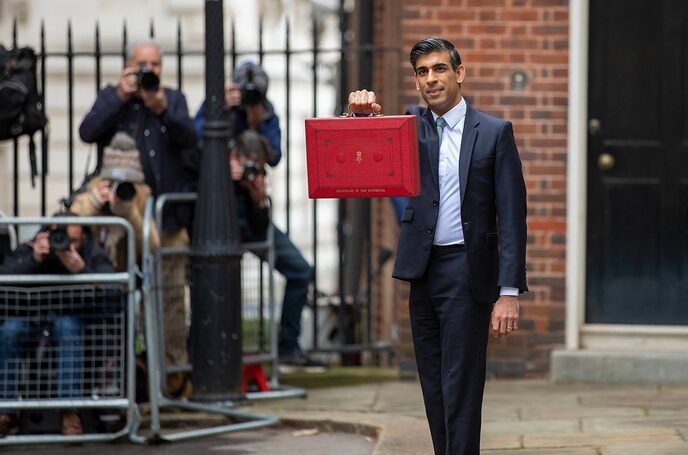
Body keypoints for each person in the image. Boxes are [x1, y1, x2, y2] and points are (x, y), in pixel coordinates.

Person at [348, 37, 528, 454]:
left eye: (440, 68)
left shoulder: (494, 133)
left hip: (468, 272)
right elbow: (358, 150)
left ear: (459, 73)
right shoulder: (408, 127)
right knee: (432, 382)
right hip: (423, 272)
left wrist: (508, 292)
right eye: (423, 72)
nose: (431, 79)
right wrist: (358, 112)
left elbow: (513, 218)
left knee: (460, 385)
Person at [79, 41, 199, 373]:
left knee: (171, 300)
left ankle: (172, 375)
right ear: (128, 66)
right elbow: (87, 132)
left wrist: (162, 109)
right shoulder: (113, 96)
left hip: (166, 219)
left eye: (155, 65)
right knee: (116, 292)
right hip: (119, 216)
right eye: (141, 65)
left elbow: (191, 141)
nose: (149, 71)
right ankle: (118, 371)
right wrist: (120, 94)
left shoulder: (172, 99)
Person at [197, 63, 320, 369]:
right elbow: (194, 140)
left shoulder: (266, 113)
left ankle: (288, 346)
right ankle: (207, 355)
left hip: (252, 215)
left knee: (301, 271)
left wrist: (260, 120)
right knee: (210, 284)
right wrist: (222, 109)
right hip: (216, 218)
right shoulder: (219, 106)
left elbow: (275, 155)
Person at [0, 215, 115, 437]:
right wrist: (33, 259)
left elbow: (114, 291)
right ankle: (6, 411)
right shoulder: (33, 247)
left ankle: (69, 411)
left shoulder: (92, 252)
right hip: (32, 321)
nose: (66, 246)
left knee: (67, 326)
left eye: (73, 242)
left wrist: (83, 271)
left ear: (82, 238)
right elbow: (5, 277)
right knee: (10, 330)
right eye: (61, 239)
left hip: (74, 324)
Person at [71, 132, 159, 270]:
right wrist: (93, 202)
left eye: (126, 182)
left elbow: (152, 245)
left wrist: (129, 211)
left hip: (129, 272)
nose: (119, 187)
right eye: (113, 181)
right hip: (92, 270)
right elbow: (70, 223)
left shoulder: (140, 194)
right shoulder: (95, 187)